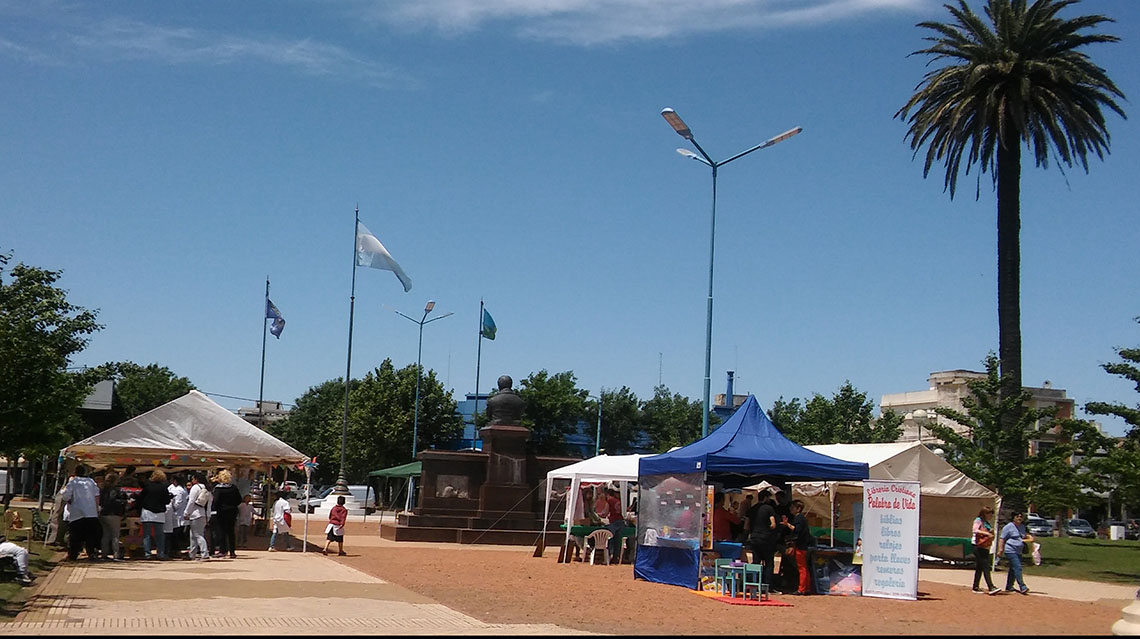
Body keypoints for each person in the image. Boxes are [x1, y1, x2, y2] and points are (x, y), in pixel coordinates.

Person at [59, 465, 101, 561]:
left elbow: (66, 496)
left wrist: (69, 500)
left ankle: (73, 554)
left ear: (75, 472)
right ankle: (91, 553)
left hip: (77, 512)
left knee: (75, 536)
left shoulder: (73, 482)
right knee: (90, 535)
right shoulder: (91, 482)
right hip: (91, 512)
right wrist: (96, 508)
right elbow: (97, 495)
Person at [746, 492, 778, 590]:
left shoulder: (751, 509)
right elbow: (773, 524)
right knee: (769, 562)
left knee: (756, 561)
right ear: (765, 498)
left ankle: (755, 584)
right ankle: (768, 586)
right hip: (766, 538)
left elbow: (746, 526)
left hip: (754, 538)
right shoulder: (769, 509)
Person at [780, 499, 813, 595]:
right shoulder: (801, 518)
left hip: (800, 545)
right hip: (803, 545)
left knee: (801, 568)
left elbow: (796, 530)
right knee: (804, 567)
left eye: (793, 507)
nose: (791, 509)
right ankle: (806, 588)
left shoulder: (799, 519)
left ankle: (801, 589)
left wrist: (787, 525)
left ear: (798, 509)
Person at [138, 469, 171, 560]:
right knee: (160, 535)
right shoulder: (164, 488)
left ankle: (147, 553)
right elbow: (167, 501)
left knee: (147, 534)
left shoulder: (147, 487)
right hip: (159, 513)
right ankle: (160, 553)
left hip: (147, 512)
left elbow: (140, 499)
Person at [998, 512, 1034, 595]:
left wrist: (1029, 537)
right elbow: (1002, 539)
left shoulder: (1022, 527)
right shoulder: (1008, 527)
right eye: (1017, 517)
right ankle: (1022, 586)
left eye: (1021, 517)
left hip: (1018, 551)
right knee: (1018, 567)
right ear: (1013, 517)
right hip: (1010, 550)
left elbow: (1024, 536)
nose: (1019, 518)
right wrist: (1000, 549)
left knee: (1013, 568)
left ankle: (1009, 586)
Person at [211, 470, 242, 559]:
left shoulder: (218, 489)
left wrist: (214, 508)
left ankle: (223, 550)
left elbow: (215, 501)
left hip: (221, 511)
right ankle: (232, 551)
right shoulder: (234, 488)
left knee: (221, 531)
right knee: (231, 531)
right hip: (232, 511)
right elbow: (239, 499)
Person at [971, 506, 1001, 595]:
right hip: (977, 545)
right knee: (985, 565)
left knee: (980, 567)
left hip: (984, 546)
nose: (991, 516)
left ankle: (975, 586)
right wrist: (987, 533)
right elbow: (975, 530)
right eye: (989, 514)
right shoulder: (978, 520)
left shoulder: (986, 522)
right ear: (984, 513)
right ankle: (991, 586)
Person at [98, 472, 125, 561]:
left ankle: (104, 554)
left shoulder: (102, 490)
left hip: (103, 513)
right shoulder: (115, 490)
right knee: (115, 535)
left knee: (105, 535)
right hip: (113, 513)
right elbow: (113, 501)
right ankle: (116, 554)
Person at [184, 473, 211, 561]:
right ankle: (192, 553)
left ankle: (204, 553)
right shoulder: (207, 489)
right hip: (203, 514)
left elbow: (191, 501)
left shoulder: (195, 488)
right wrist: (208, 516)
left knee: (198, 535)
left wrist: (186, 513)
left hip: (195, 513)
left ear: (196, 479)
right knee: (194, 535)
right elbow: (209, 504)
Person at [166, 475, 188, 559]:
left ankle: (175, 550)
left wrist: (171, 504)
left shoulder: (180, 490)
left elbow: (177, 503)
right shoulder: (171, 487)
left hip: (177, 514)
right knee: (173, 533)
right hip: (173, 514)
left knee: (176, 534)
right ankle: (173, 550)